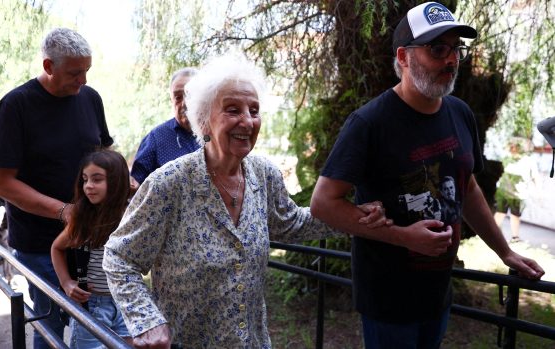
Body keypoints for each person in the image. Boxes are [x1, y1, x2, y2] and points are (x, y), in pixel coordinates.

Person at [102, 54, 389, 348]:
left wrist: (352, 216)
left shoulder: (264, 175)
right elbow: (119, 256)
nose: (248, 121)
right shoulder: (169, 183)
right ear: (204, 121)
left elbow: (292, 223)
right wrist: (147, 320)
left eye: (254, 110)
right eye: (232, 110)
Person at [309, 2, 545, 348]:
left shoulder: (460, 113)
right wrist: (404, 236)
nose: (451, 60)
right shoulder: (369, 124)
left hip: (438, 293)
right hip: (388, 300)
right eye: (437, 49)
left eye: (456, 49)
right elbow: (323, 204)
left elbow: (468, 187)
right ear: (403, 57)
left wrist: (505, 252)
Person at [0, 27, 113, 348]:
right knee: (50, 328)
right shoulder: (15, 106)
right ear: (48, 67)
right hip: (40, 243)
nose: (82, 80)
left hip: (91, 240)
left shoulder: (90, 98)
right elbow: (0, 183)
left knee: (96, 325)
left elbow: (106, 155)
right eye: (74, 73)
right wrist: (63, 211)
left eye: (87, 71)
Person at [51, 150, 132, 348]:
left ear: (116, 181)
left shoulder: (132, 214)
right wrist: (66, 283)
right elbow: (57, 247)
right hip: (93, 306)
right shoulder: (83, 217)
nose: (88, 186)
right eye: (85, 179)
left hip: (126, 303)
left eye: (97, 179)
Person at [130, 67, 200, 185]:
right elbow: (136, 186)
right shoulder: (156, 138)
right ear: (171, 100)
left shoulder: (218, 134)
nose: (184, 103)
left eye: (190, 95)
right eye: (178, 97)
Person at [494, 139, 534, 243]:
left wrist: (536, 189)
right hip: (503, 192)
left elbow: (533, 176)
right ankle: (493, 234)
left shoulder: (527, 160)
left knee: (515, 215)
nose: (513, 148)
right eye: (511, 146)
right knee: (499, 214)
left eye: (515, 146)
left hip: (518, 194)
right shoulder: (506, 158)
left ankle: (515, 237)